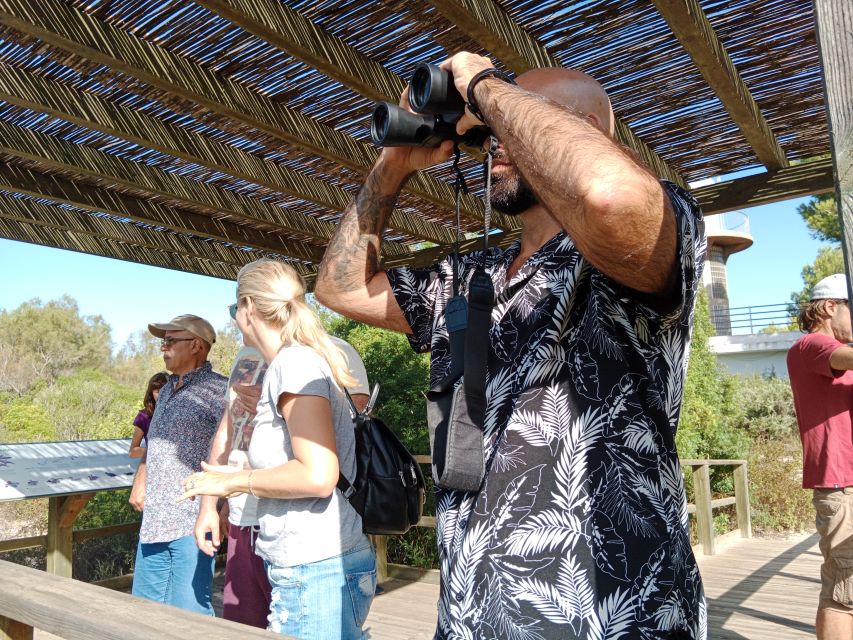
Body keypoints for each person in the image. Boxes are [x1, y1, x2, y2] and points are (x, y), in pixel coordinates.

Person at [315, 52, 707, 639]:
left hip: (610, 614)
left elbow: (606, 195)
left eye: (516, 121)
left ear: (589, 132)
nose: (496, 141)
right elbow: (339, 287)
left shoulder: (644, 233)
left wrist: (483, 85)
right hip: (471, 611)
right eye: (490, 133)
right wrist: (392, 165)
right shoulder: (471, 276)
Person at [179, 258, 376, 639]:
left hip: (314, 566)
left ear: (249, 308)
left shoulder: (294, 364)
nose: (236, 318)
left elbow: (317, 475)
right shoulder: (293, 361)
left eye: (235, 309)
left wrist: (236, 481)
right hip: (310, 564)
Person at [192, 336, 370, 629]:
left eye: (240, 306)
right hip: (242, 517)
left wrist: (280, 404)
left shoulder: (333, 349)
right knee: (243, 628)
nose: (238, 316)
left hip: (304, 528)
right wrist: (210, 505)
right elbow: (227, 428)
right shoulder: (245, 356)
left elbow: (355, 424)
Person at [129, 314, 227, 616]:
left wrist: (222, 509)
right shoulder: (167, 389)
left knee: (189, 614)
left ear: (196, 345)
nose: (163, 347)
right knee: (144, 612)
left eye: (170, 341)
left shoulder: (222, 391)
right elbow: (154, 441)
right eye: (163, 341)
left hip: (193, 520)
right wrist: (140, 479)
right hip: (155, 518)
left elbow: (235, 452)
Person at [787, 273, 853, 640]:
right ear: (830, 307)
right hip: (841, 487)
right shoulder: (811, 346)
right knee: (844, 592)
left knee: (842, 586)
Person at [128, 372, 168, 459]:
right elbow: (132, 452)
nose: (162, 395)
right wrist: (156, 452)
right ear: (151, 394)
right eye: (157, 392)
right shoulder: (144, 416)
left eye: (165, 391)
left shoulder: (180, 413)